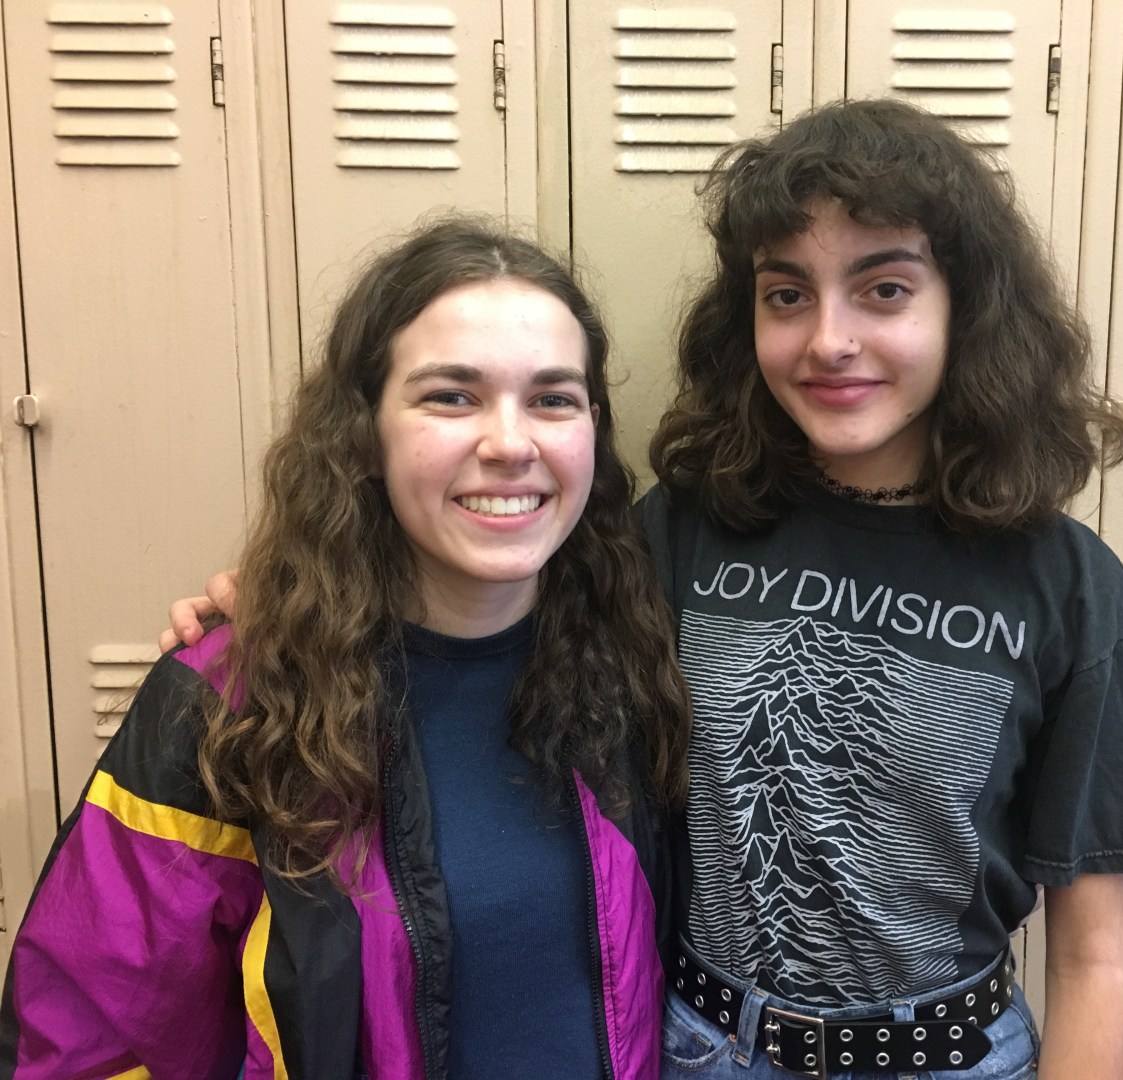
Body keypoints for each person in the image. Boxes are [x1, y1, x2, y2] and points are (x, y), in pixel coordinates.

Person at [163, 99, 1123, 1079]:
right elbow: (474, 566)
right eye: (786, 294)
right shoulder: (686, 526)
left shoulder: (1067, 587)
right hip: (703, 1045)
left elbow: (1098, 955)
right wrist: (276, 599)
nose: (829, 339)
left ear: (964, 309)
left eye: (884, 289)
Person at [0, 218, 691, 1079]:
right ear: (364, 434)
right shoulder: (233, 704)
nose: (511, 443)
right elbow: (91, 1031)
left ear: (593, 428)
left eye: (553, 398)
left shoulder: (628, 662)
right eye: (451, 396)